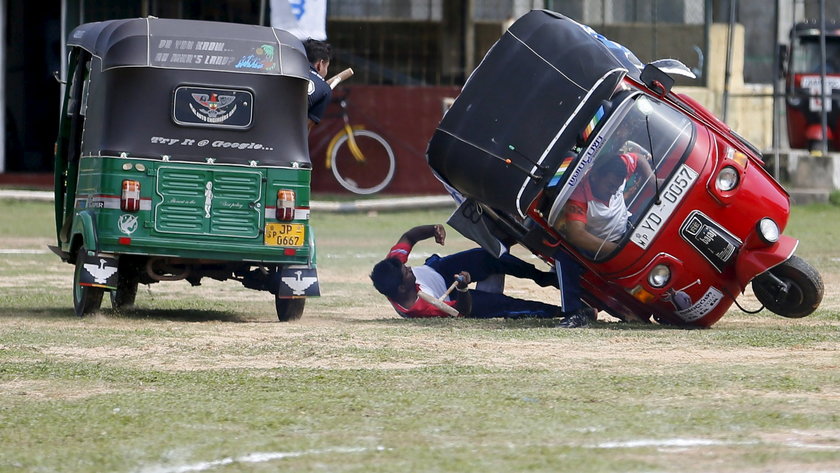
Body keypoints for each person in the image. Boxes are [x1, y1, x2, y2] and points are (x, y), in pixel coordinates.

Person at [370, 224, 594, 324]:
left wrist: (433, 229)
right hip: (456, 297)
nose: (409, 268)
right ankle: (565, 312)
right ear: (401, 288)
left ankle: (544, 278)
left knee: (488, 256)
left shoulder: (393, 267)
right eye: (407, 273)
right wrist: (463, 287)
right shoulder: (421, 308)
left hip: (439, 271)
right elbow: (461, 312)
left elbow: (409, 236)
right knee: (507, 305)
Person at [558, 152, 653, 258]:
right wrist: (620, 251)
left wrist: (652, 181)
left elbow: (638, 158)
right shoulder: (579, 195)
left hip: (629, 226)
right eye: (610, 186)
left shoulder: (619, 168)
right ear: (594, 176)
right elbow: (576, 235)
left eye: (616, 188)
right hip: (607, 247)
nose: (613, 192)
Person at [303, 39, 332, 131]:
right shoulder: (325, 90)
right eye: (327, 67)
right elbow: (305, 127)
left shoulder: (286, 70)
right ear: (320, 64)